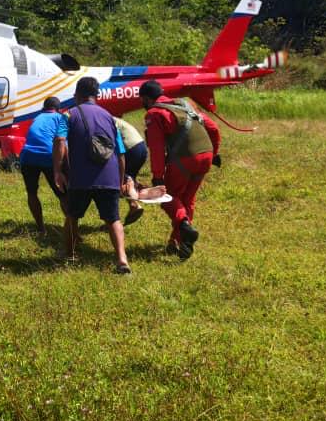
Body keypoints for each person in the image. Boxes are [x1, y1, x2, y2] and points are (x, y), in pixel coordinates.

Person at [53, 77, 132, 274]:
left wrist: (57, 170)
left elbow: (59, 140)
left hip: (81, 178)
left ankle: (70, 254)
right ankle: (122, 260)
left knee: (72, 216)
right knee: (113, 218)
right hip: (109, 177)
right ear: (96, 95)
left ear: (77, 94)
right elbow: (120, 152)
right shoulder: (110, 117)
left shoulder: (69, 115)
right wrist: (120, 180)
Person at [138, 80, 221, 260]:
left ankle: (183, 226)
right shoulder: (185, 104)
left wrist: (158, 178)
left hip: (185, 159)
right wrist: (214, 153)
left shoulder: (155, 113)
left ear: (146, 98)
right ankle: (178, 242)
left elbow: (157, 148)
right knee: (187, 199)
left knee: (167, 197)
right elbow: (213, 128)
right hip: (206, 155)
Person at [19, 97, 69, 233]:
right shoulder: (61, 118)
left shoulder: (37, 118)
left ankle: (41, 228)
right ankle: (72, 230)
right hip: (49, 155)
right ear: (59, 109)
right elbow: (63, 143)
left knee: (32, 192)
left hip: (27, 155)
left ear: (44, 108)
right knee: (63, 194)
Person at [112, 116, 148, 226]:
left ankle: (134, 204)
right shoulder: (109, 117)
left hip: (131, 148)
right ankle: (137, 196)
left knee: (121, 178)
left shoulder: (103, 119)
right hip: (141, 147)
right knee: (129, 178)